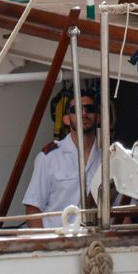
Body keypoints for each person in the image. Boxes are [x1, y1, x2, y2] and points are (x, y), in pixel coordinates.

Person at [23, 91, 102, 228]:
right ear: (66, 119)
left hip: (98, 244)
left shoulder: (109, 158)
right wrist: (44, 247)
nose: (83, 113)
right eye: (75, 110)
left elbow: (124, 210)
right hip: (58, 243)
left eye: (89, 109)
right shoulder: (49, 157)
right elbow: (33, 209)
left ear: (99, 118)